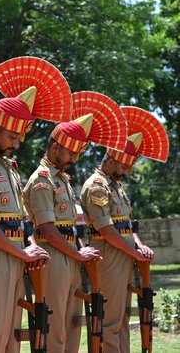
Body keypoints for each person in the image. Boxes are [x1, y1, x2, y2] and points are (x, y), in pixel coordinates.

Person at [0, 56, 72, 353]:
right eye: (12, 135)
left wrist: (30, 246)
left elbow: (21, 219)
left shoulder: (9, 167)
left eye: (20, 136)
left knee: (12, 339)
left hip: (16, 254)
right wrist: (23, 251)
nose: (17, 142)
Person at [23, 91, 127, 352]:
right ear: (55, 147)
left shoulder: (62, 180)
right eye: (71, 153)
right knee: (54, 326)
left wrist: (79, 251)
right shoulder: (41, 179)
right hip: (54, 256)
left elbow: (69, 226)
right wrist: (77, 255)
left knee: (73, 325)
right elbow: (47, 228)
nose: (74, 160)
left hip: (69, 255)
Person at [81, 106, 168, 352]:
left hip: (123, 254)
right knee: (108, 319)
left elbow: (127, 225)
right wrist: (133, 253)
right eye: (123, 167)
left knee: (121, 319)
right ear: (110, 160)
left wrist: (139, 245)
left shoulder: (115, 185)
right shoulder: (97, 186)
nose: (126, 172)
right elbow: (107, 230)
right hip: (108, 255)